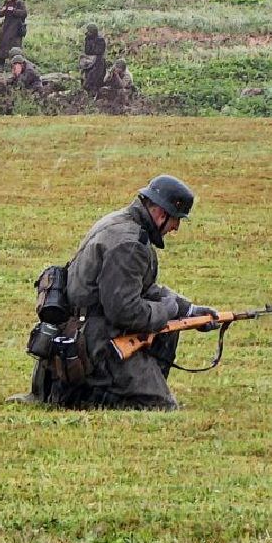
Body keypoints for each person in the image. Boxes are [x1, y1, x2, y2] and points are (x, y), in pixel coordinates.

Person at [25, 175, 216, 410]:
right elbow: (125, 311)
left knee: (168, 323)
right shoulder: (129, 243)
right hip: (96, 343)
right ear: (161, 213)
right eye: (176, 219)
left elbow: (140, 289)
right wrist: (167, 310)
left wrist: (189, 310)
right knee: (159, 406)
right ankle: (86, 396)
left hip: (82, 332)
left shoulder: (120, 222)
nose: (176, 227)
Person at [0, 0, 28, 66]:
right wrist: (4, 10)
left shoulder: (19, 3)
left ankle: (17, 64)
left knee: (15, 47)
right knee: (2, 46)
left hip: (16, 28)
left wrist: (14, 10)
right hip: (6, 27)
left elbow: (24, 13)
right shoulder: (6, 3)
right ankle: (1, 64)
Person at [79, 23, 107, 95]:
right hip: (89, 60)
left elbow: (99, 51)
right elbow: (87, 51)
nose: (88, 33)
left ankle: (94, 90)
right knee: (86, 74)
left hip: (98, 60)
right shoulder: (87, 38)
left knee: (96, 76)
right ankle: (86, 89)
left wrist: (92, 52)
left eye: (89, 32)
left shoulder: (100, 40)